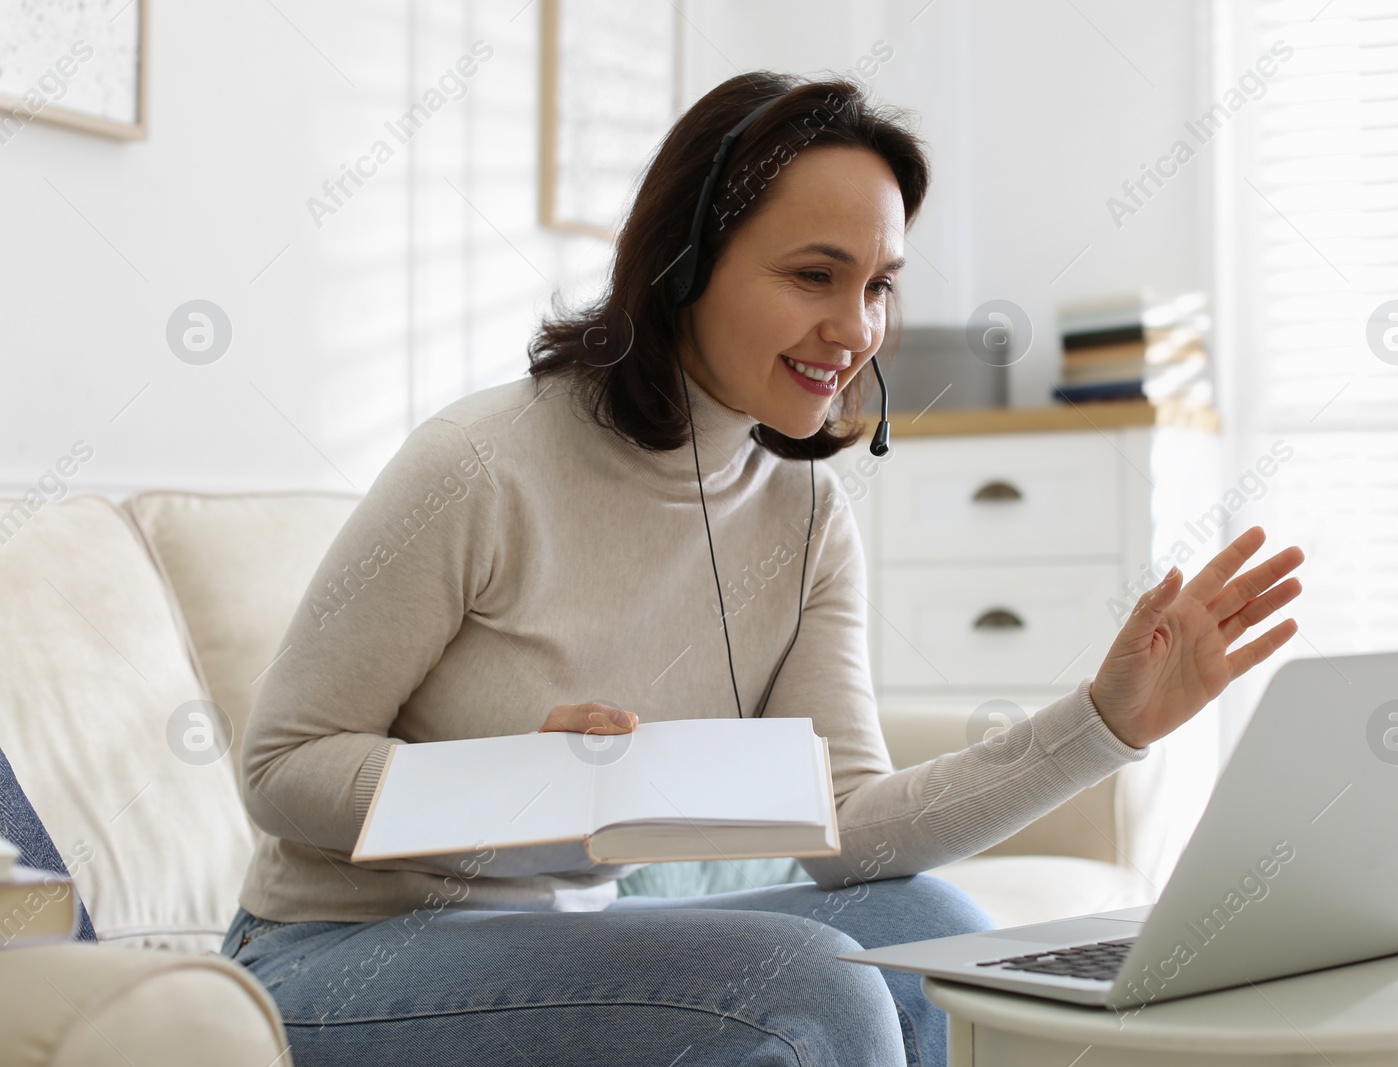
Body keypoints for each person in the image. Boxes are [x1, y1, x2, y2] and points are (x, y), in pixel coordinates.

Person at [222, 70, 1305, 1067]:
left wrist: (1104, 721)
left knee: (932, 932)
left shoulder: (805, 513)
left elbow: (848, 830)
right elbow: (279, 768)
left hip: (551, 940)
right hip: (332, 957)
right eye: (812, 276)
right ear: (684, 266)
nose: (856, 328)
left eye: (879, 283)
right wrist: (519, 788)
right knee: (794, 985)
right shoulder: (478, 466)